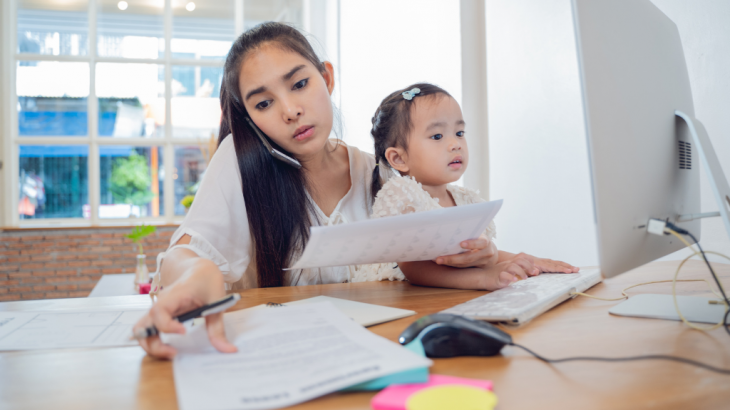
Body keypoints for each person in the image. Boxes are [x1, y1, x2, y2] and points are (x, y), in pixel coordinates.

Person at [133, 24, 513, 359]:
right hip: (275, 358)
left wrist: (488, 257)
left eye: (299, 84)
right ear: (250, 119)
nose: (290, 110)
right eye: (264, 103)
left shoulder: (376, 173)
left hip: (373, 352)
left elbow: (424, 259)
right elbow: (187, 250)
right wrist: (199, 277)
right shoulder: (239, 162)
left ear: (326, 78)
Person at [349, 83, 579, 289]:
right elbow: (414, 268)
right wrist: (484, 277)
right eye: (437, 136)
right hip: (391, 299)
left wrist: (526, 260)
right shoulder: (402, 195)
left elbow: (475, 254)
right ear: (399, 159)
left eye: (459, 133)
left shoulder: (465, 198)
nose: (455, 144)